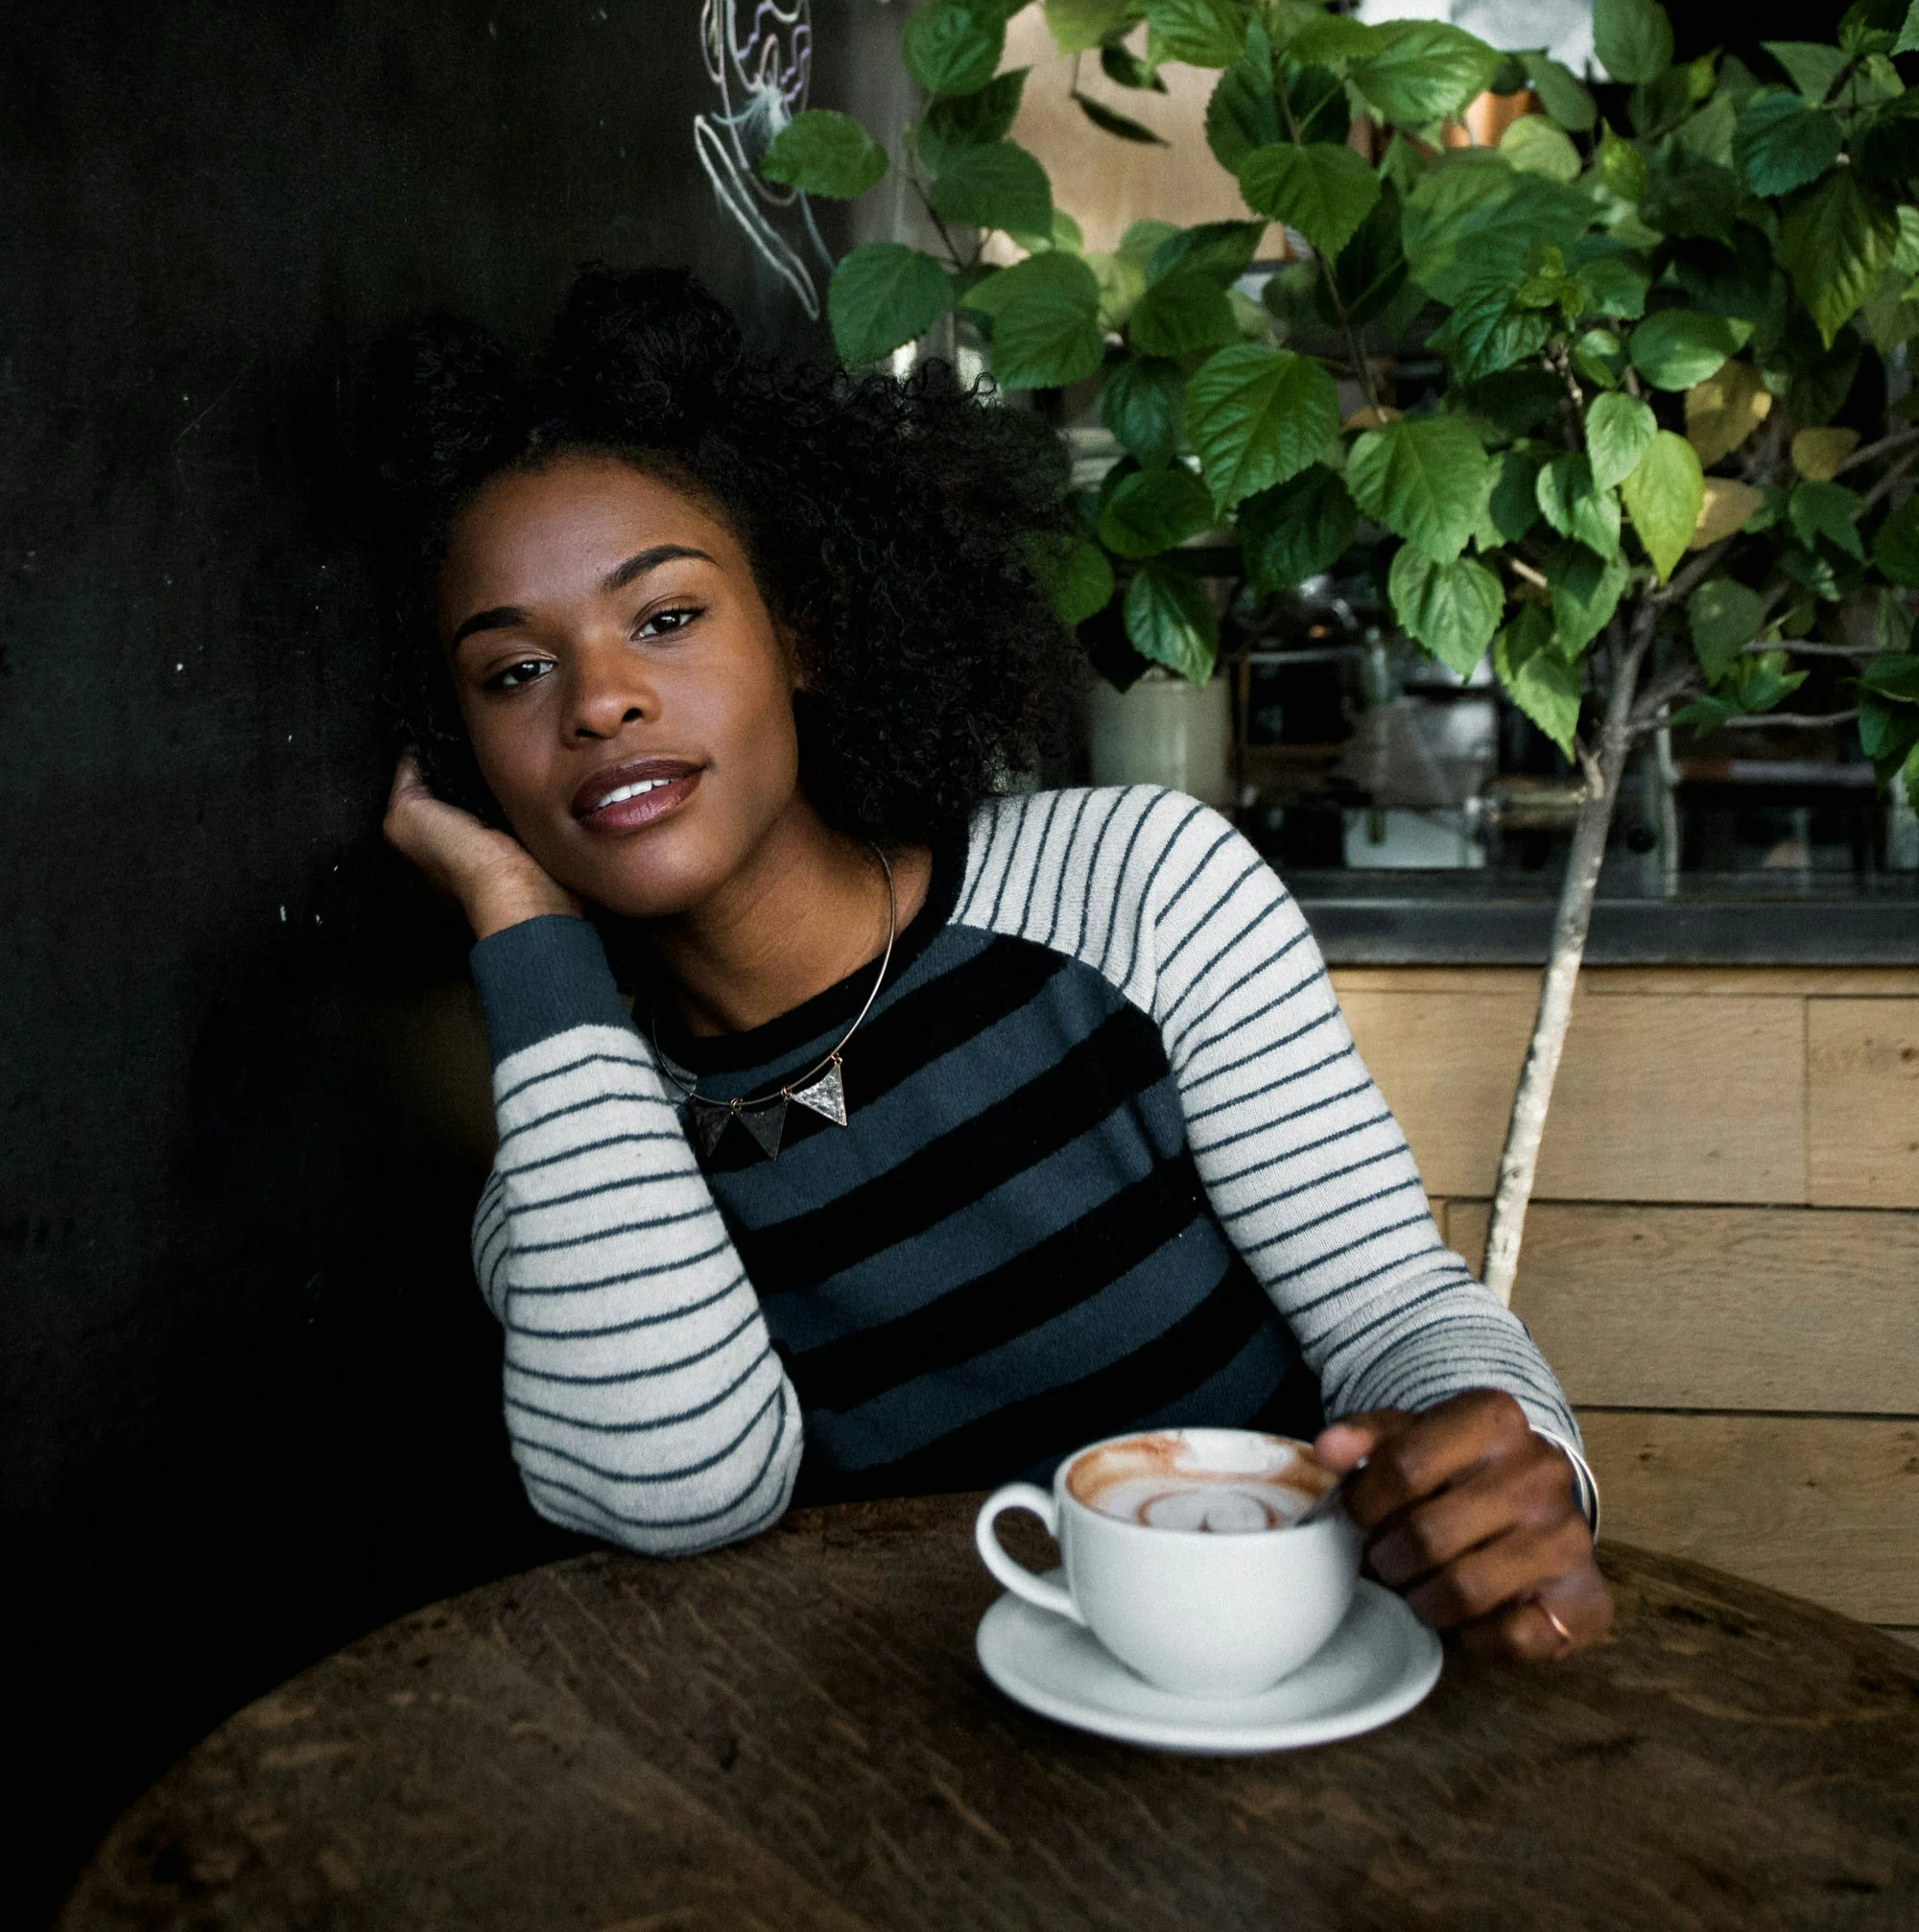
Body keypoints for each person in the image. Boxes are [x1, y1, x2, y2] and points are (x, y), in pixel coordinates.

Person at [377, 266, 1611, 1661]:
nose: (600, 699)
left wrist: (1514, 1470)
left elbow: (1391, 1304)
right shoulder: (578, 1154)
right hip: (910, 1806)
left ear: (807, 633)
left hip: (1287, 1693)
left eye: (664, 618)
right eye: (513, 675)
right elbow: (680, 1494)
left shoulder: (1134, 892)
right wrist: (525, 931)